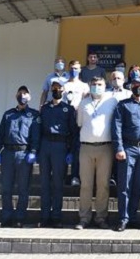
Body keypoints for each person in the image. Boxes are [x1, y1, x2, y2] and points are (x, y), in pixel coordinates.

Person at [112, 76, 140, 231]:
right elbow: (116, 127)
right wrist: (119, 148)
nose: (138, 87)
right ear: (131, 87)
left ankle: (133, 217)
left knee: (138, 185)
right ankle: (123, 218)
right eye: (135, 85)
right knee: (125, 185)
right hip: (128, 149)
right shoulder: (123, 105)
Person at [74, 77, 118, 230]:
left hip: (105, 148)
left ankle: (101, 217)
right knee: (85, 185)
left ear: (105, 86)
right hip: (86, 148)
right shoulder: (83, 102)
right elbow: (79, 123)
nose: (97, 87)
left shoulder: (112, 101)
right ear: (89, 86)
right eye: (94, 85)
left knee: (103, 185)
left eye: (100, 85)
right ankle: (84, 218)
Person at [0, 85, 40, 228]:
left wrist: (33, 151)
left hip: (24, 154)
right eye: (20, 93)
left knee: (23, 188)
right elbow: (0, 134)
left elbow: (36, 135)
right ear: (16, 96)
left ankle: (20, 218)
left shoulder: (34, 115)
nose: (22, 96)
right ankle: (6, 217)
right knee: (6, 188)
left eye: (25, 94)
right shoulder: (8, 114)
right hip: (7, 153)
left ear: (29, 97)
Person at [37, 81, 78, 228]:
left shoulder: (69, 109)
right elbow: (39, 129)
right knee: (45, 183)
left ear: (64, 91)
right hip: (45, 145)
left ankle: (56, 217)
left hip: (61, 146)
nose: (56, 90)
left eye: (59, 88)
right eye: (54, 88)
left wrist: (71, 152)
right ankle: (44, 217)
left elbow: (74, 132)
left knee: (58, 184)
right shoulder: (45, 108)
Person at [64, 60, 89, 187]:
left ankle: (75, 176)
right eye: (72, 68)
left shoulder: (84, 86)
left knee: (76, 149)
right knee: (63, 148)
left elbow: (86, 102)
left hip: (78, 119)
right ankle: (61, 176)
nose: (74, 70)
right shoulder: (63, 85)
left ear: (80, 70)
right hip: (63, 119)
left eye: (77, 68)